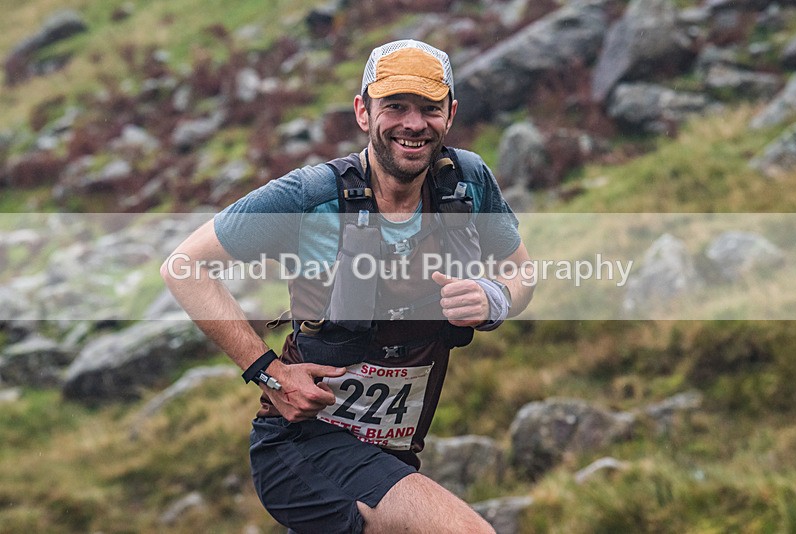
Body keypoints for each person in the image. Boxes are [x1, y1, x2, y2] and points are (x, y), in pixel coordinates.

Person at [162, 39, 534, 534]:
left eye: (429, 108)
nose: (413, 123)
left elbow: (521, 270)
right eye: (395, 106)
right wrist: (269, 372)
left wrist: (496, 297)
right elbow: (183, 266)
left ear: (451, 114)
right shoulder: (311, 197)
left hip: (394, 451)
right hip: (302, 444)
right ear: (363, 111)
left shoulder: (466, 183)